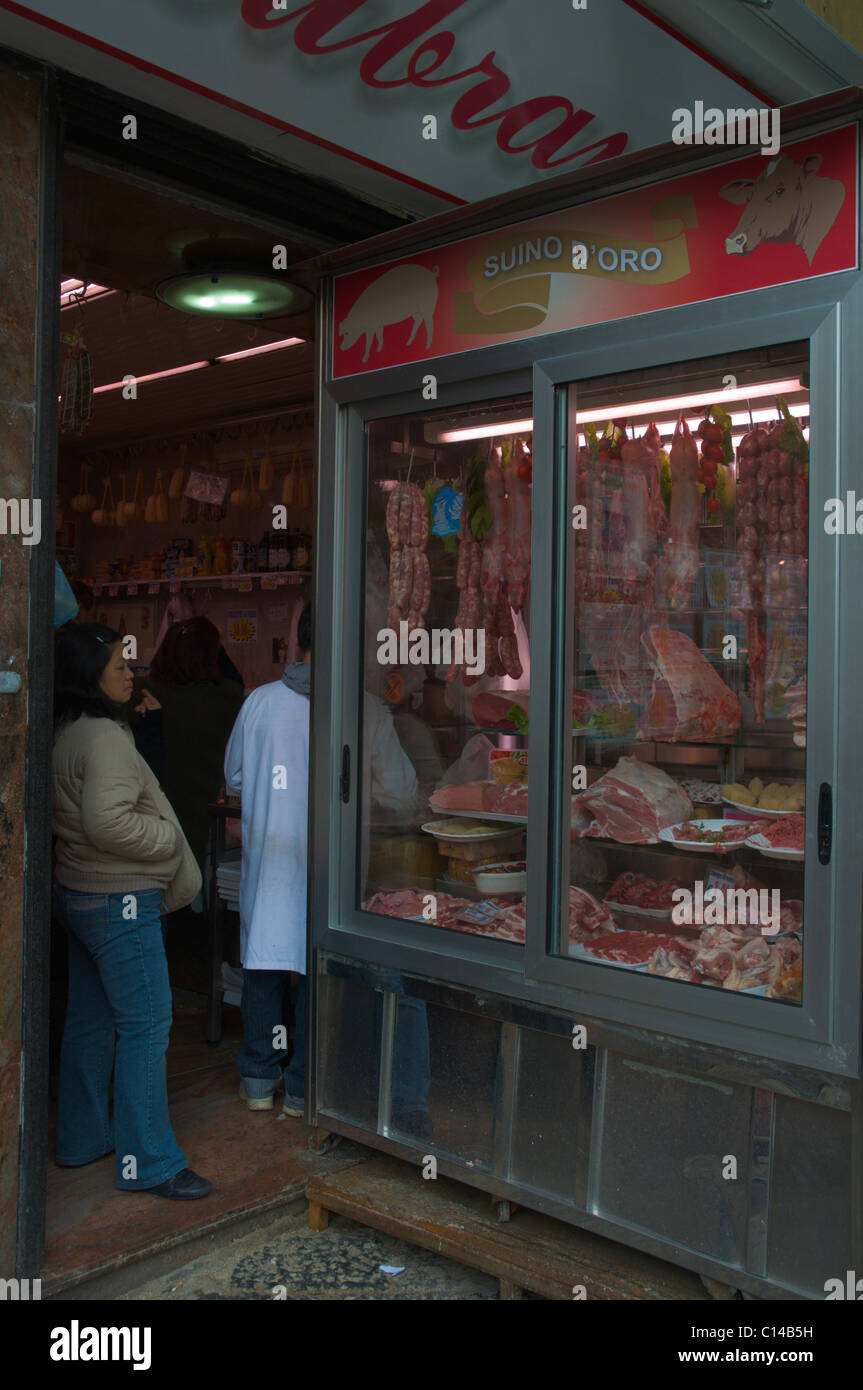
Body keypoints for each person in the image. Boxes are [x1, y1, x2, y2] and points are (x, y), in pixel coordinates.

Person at [51, 622, 209, 1200]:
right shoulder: (107, 738)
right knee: (146, 1026)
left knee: (90, 1020)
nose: (129, 672)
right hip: (119, 899)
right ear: (89, 673)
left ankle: (82, 1139)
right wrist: (168, 839)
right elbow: (109, 822)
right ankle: (150, 1162)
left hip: (79, 893)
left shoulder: (65, 729)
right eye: (118, 663)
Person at [224, 603, 313, 1116]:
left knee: (265, 965)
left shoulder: (259, 702)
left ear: (296, 642)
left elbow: (234, 776)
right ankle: (301, 1089)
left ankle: (260, 1079)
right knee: (312, 967)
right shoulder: (349, 703)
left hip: (271, 864)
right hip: (320, 867)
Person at [132, 617, 245, 881]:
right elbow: (235, 677)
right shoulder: (226, 695)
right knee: (185, 886)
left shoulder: (140, 692)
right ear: (213, 655)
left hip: (146, 811)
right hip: (199, 812)